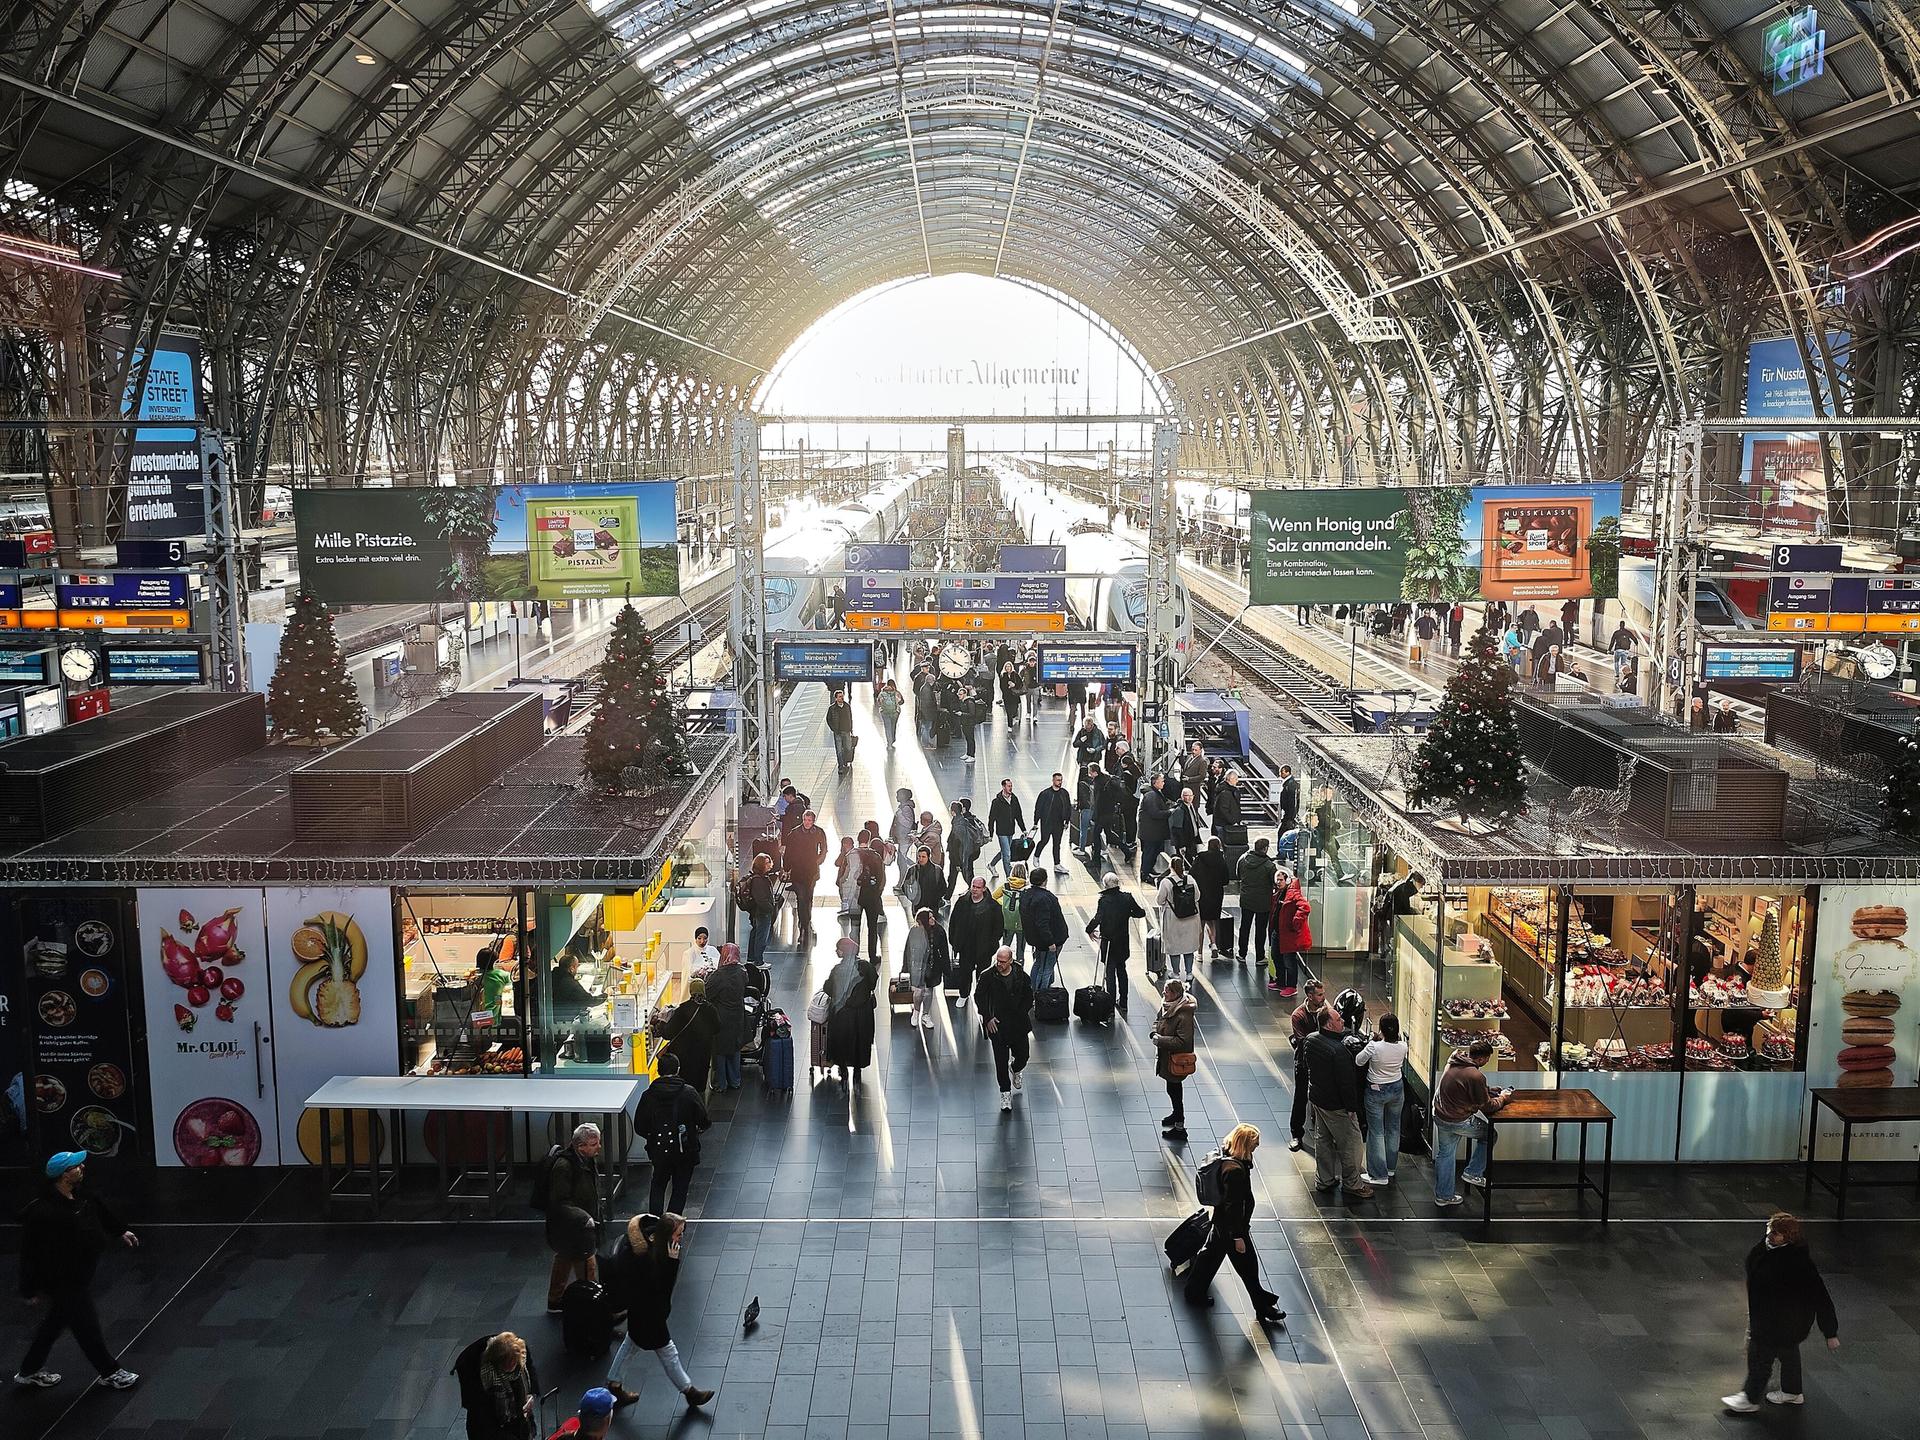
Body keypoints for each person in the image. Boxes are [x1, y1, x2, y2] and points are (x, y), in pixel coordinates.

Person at [12, 1151, 140, 1391]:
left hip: (80, 1273)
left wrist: (120, 1231)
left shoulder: (81, 1196)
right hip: (62, 1279)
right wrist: (28, 1288)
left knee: (54, 1323)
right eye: (75, 1166)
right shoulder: (44, 1212)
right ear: (63, 1175)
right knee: (86, 1325)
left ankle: (29, 1370)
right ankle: (110, 1372)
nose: (82, 1167)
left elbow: (101, 1211)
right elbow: (30, 1253)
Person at [1722, 1212, 1840, 1413]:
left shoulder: (1797, 1263)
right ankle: (1792, 1392)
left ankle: (1750, 1399)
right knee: (1788, 1352)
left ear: (1788, 1237)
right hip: (1781, 1320)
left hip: (1778, 1322)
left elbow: (1820, 1296)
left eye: (1776, 1233)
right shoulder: (1768, 1249)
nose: (1770, 1235)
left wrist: (1830, 1332)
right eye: (1770, 1230)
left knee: (1760, 1356)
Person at [603, 1214, 713, 1412]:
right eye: (678, 1234)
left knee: (631, 1343)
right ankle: (689, 1391)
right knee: (668, 1352)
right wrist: (672, 1263)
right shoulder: (650, 1260)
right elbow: (662, 1289)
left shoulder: (648, 1246)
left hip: (641, 1312)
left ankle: (614, 1383)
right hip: (650, 1315)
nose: (680, 1238)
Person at [1181, 1123, 1283, 1326]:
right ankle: (1262, 1307)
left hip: (1222, 1224)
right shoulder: (1235, 1171)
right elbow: (1233, 1206)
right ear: (1245, 1145)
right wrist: (1238, 1237)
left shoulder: (1228, 1157)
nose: (1256, 1148)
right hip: (1232, 1229)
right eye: (1254, 1145)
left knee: (1209, 1257)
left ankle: (1194, 1292)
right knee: (1248, 1268)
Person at [1432, 1039, 1512, 1207]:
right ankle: (1473, 1172)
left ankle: (1443, 1196)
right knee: (1490, 1135)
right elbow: (1488, 1107)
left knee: (1445, 1154)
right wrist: (1503, 1098)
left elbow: (1462, 1087)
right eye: (1488, 1058)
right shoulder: (1475, 1075)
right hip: (1459, 1120)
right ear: (1482, 1059)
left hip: (1441, 1115)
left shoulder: (1453, 1061)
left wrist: (1487, 1090)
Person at [1304, 1011, 1372, 1199]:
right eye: (1338, 1019)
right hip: (1337, 1106)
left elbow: (1306, 1065)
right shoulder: (1339, 1051)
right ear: (1328, 1025)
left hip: (1317, 1099)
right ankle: (1353, 1183)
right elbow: (1346, 1084)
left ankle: (1324, 1179)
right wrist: (1352, 1108)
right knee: (1351, 1144)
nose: (1342, 1020)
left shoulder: (1310, 1040)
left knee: (1323, 1140)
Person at [634, 1053, 711, 1216]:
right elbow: (704, 1120)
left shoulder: (648, 1095)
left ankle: (654, 1224)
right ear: (678, 1070)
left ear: (658, 1070)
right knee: (680, 1188)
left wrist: (652, 1136)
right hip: (685, 1150)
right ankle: (672, 1224)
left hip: (659, 1150)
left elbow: (639, 1126)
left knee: (658, 1185)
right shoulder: (689, 1093)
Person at [542, 1123, 603, 1312]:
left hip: (570, 1227)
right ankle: (592, 1302)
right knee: (588, 1265)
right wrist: (584, 1217)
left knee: (564, 1259)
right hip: (575, 1227)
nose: (598, 1147)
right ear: (580, 1147)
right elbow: (560, 1201)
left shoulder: (584, 1160)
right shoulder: (564, 1167)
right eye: (594, 1144)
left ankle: (555, 1299)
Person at [975, 945, 1033, 1112]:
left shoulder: (1020, 975)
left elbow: (1028, 995)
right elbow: (979, 997)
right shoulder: (987, 976)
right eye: (997, 961)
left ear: (1010, 961)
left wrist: (1022, 1011)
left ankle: (1015, 1068)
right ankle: (1005, 1092)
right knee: (1000, 1062)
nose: (999, 964)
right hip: (998, 1026)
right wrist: (987, 1017)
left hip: (1018, 1024)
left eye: (1002, 961)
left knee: (1023, 1055)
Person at [1356, 1014, 1408, 1187]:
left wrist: (1375, 1040)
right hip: (1397, 1088)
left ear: (1382, 1029)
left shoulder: (1374, 1047)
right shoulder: (1403, 1046)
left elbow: (1359, 1060)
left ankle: (1378, 1174)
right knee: (1394, 1128)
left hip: (1376, 1090)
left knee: (1376, 1131)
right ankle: (1391, 1167)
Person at [1087, 872, 1147, 1012]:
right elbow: (1140, 913)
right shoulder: (1127, 898)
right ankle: (1124, 1002)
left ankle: (1110, 1004)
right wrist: (1128, 912)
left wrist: (1089, 929)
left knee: (1110, 972)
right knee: (1122, 970)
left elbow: (1098, 917)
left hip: (1108, 942)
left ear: (1106, 885)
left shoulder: (1104, 900)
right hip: (1122, 941)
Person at [824, 937, 880, 1087]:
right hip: (863, 1014)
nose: (837, 952)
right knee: (860, 1042)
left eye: (839, 949)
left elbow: (828, 988)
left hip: (842, 1014)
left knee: (841, 1042)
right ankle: (857, 1071)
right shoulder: (866, 967)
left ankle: (843, 1070)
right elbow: (873, 983)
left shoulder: (837, 970)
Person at [1150, 979, 1198, 1141]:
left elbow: (1182, 1041)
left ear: (1176, 994)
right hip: (1167, 1057)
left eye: (1167, 991)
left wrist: (1160, 1040)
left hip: (1175, 1058)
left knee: (1175, 1091)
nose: (1164, 993)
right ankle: (1176, 1115)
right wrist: (1154, 1032)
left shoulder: (1183, 1015)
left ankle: (1179, 1126)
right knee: (1172, 1089)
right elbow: (1158, 1020)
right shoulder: (1168, 1006)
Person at [1287, 981, 1331, 1151]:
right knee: (1300, 1097)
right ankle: (1296, 1134)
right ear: (1310, 996)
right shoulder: (1298, 1015)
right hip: (1304, 1063)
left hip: (1322, 1063)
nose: (1323, 997)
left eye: (1323, 993)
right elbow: (1303, 1041)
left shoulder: (1326, 1011)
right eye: (1319, 995)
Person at [948, 876, 1003, 1009]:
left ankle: (981, 998)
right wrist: (954, 941)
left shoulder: (993, 906)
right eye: (973, 886)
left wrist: (991, 945)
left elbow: (998, 928)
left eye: (978, 887)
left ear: (984, 889)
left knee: (983, 975)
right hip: (966, 947)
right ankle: (964, 994)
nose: (975, 890)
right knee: (965, 973)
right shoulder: (962, 902)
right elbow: (953, 922)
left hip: (984, 949)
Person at [658, 977, 720, 1092]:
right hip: (703, 1054)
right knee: (699, 1086)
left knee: (684, 1086)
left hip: (684, 1056)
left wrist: (662, 1022)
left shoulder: (683, 1009)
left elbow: (668, 1033)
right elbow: (717, 1028)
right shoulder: (711, 1010)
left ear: (691, 991)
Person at [471, 1331, 536, 1439]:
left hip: (519, 1423)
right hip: (498, 1429)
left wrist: (528, 1401)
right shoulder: (488, 1378)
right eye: (507, 1361)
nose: (511, 1365)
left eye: (513, 1361)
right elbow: (486, 1420)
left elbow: (528, 1389)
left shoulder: (521, 1369)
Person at [704, 944, 748, 1091]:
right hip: (738, 1016)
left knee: (720, 1050)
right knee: (735, 1048)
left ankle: (720, 1083)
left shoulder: (719, 975)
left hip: (721, 1017)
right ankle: (735, 1080)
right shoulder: (742, 972)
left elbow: (707, 994)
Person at [1020, 866, 1069, 992]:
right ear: (1044, 881)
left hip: (1035, 938)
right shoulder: (1046, 898)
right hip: (1050, 940)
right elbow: (1043, 923)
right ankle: (1041, 995)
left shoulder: (1025, 894)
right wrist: (1050, 941)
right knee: (1046, 969)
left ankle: (1032, 991)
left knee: (1038, 963)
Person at [1155, 856, 1203, 981]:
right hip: (1191, 917)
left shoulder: (1166, 882)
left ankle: (1176, 973)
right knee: (1189, 946)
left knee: (1174, 947)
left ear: (1170, 867)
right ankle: (1189, 973)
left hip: (1173, 918)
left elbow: (1160, 900)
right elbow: (1197, 896)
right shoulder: (1190, 879)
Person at [902, 906, 950, 1030]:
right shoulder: (915, 931)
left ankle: (925, 1015)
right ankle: (916, 1012)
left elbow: (944, 950)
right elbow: (908, 950)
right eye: (929, 918)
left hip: (933, 966)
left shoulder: (939, 931)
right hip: (918, 966)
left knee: (929, 991)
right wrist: (905, 968)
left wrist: (946, 969)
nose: (933, 919)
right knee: (918, 991)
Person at [785, 810, 828, 945]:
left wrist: (818, 861)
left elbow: (824, 849)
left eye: (809, 820)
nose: (807, 823)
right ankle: (803, 927)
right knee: (801, 898)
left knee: (808, 898)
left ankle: (806, 922)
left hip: (811, 871)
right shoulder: (795, 833)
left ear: (813, 821)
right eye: (805, 820)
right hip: (798, 871)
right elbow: (788, 852)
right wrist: (786, 868)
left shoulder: (819, 832)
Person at [1270, 865, 1312, 996]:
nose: (1278, 882)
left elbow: (1305, 907)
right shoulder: (1279, 893)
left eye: (1281, 879)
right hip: (1278, 932)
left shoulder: (1292, 893)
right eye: (1277, 879)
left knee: (1289, 961)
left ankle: (1291, 986)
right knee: (1276, 956)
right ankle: (1281, 982)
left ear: (1287, 880)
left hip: (1288, 934)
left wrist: (1296, 921)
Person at [1235, 838, 1275, 966]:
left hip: (1246, 899)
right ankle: (1260, 957)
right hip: (1263, 902)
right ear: (1265, 849)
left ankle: (1242, 953)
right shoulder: (1269, 865)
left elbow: (1238, 875)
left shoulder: (1243, 859)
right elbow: (1275, 882)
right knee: (1260, 929)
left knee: (1244, 926)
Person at [1192, 836, 1230, 961]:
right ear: (1219, 846)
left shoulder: (1200, 858)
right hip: (1216, 895)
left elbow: (1192, 875)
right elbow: (1225, 880)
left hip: (1201, 894)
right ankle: (1213, 944)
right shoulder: (1221, 860)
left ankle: (1200, 953)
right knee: (1212, 921)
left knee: (1200, 924)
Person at [738, 852, 779, 966]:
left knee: (755, 934)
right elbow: (761, 899)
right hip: (762, 913)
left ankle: (751, 959)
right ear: (761, 865)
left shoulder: (759, 878)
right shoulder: (759, 880)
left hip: (757, 912)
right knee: (761, 937)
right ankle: (758, 961)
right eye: (767, 863)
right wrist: (771, 908)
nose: (770, 864)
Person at [1033, 772, 1073, 873]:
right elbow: (1038, 808)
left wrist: (1067, 821)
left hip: (1059, 823)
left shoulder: (1064, 793)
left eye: (1061, 780)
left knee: (1057, 844)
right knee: (1044, 840)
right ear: (1053, 780)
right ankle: (1036, 856)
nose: (1060, 782)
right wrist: (1035, 822)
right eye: (1058, 780)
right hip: (1047, 822)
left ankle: (1057, 864)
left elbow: (1068, 808)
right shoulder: (1045, 794)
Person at [1137, 773, 1171, 881]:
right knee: (1149, 853)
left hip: (1154, 831)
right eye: (1162, 781)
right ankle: (1145, 874)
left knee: (1153, 852)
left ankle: (1149, 870)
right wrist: (1169, 812)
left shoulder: (1155, 793)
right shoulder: (1151, 795)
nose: (1163, 783)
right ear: (1155, 782)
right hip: (1150, 832)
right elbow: (1154, 813)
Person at [987, 778, 1025, 873]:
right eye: (1008, 786)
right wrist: (991, 833)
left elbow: (1018, 815)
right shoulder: (996, 802)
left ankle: (991, 864)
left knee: (1005, 851)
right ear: (1003, 787)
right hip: (1002, 832)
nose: (1010, 788)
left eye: (1011, 786)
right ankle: (1009, 876)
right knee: (1007, 854)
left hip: (1011, 830)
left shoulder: (1014, 799)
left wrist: (1023, 829)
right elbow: (991, 818)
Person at [947, 799, 985, 893]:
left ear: (953, 812)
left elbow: (957, 846)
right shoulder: (962, 821)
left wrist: (958, 862)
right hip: (963, 856)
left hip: (960, 857)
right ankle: (948, 895)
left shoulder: (958, 826)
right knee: (958, 876)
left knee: (963, 876)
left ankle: (974, 891)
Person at [905, 844, 946, 921]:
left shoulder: (937, 870)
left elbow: (943, 888)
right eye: (919, 856)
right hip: (917, 907)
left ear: (928, 857)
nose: (921, 859)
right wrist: (912, 898)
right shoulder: (912, 870)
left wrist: (936, 898)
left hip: (932, 907)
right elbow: (904, 886)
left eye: (923, 857)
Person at [890, 789, 917, 891]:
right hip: (902, 838)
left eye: (898, 795)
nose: (896, 796)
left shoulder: (905, 809)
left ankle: (902, 883)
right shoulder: (903, 807)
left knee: (902, 861)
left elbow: (908, 823)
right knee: (902, 860)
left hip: (904, 839)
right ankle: (913, 871)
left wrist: (899, 814)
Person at [1166, 786, 1201, 861]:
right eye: (1187, 795)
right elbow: (1177, 829)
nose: (1190, 798)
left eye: (1191, 795)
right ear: (1182, 797)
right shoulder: (1179, 810)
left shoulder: (1191, 806)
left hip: (1191, 840)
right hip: (1185, 843)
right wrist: (1181, 845)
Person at [826, 689, 855, 774]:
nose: (841, 698)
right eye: (839, 696)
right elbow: (828, 719)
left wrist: (851, 728)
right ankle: (840, 766)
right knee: (839, 750)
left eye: (842, 696)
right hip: (838, 732)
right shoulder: (832, 708)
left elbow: (850, 717)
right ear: (836, 698)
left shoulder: (847, 706)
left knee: (848, 748)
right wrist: (834, 729)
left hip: (847, 731)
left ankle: (845, 760)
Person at [875, 678, 903, 751]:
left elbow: (879, 702)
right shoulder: (896, 692)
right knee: (893, 726)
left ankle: (889, 743)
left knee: (887, 727)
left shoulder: (882, 693)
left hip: (884, 712)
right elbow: (901, 701)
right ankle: (893, 739)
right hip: (895, 712)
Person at [1610, 620, 1636, 690]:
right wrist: (1636, 643)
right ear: (1624, 625)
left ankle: (1617, 674)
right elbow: (1634, 638)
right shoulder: (1627, 632)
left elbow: (1612, 641)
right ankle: (1624, 672)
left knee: (1616, 662)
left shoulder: (1616, 632)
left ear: (1619, 625)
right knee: (1623, 663)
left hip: (1617, 650)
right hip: (1625, 650)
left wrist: (1609, 649)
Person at [1276, 763, 1299, 835]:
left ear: (1287, 772)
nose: (1280, 774)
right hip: (1288, 815)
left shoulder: (1290, 784)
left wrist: (1290, 816)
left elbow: (1292, 801)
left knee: (1282, 833)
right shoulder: (1289, 783)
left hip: (1288, 816)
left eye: (1282, 772)